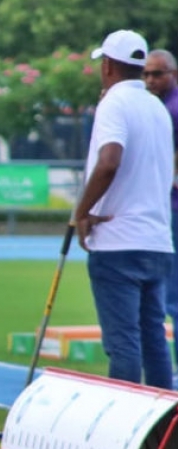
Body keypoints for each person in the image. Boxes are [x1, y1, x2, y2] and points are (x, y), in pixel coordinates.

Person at [76, 30, 174, 388]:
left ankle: (122, 431)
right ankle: (167, 432)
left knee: (124, 344)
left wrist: (81, 211)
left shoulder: (113, 104)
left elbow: (109, 161)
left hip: (118, 242)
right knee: (154, 342)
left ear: (107, 66)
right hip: (157, 241)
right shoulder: (157, 108)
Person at [145, 49, 178, 378]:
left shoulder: (171, 110)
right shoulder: (160, 108)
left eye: (158, 74)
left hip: (172, 211)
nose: (151, 80)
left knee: (172, 301)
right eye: (146, 74)